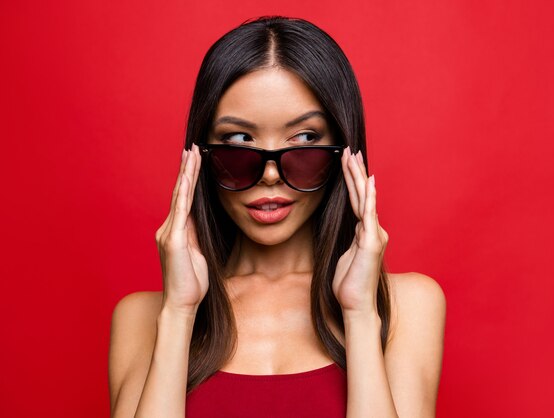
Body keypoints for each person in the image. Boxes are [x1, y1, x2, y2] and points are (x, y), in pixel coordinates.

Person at [108, 15, 446, 418]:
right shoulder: (142, 318)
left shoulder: (406, 306)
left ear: (344, 150)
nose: (270, 174)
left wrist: (358, 315)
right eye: (238, 141)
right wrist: (180, 313)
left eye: (304, 140)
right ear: (200, 156)